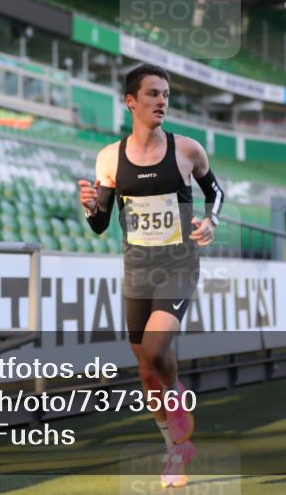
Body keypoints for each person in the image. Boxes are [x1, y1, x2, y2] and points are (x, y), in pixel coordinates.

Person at [78, 63, 224, 489]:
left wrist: (211, 221)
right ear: (131, 102)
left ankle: (176, 400)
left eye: (165, 94)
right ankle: (175, 451)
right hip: (137, 267)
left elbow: (214, 192)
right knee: (145, 370)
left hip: (178, 263)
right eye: (153, 94)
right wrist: (91, 206)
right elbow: (101, 223)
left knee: (158, 349)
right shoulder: (109, 158)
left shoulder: (187, 150)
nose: (162, 101)